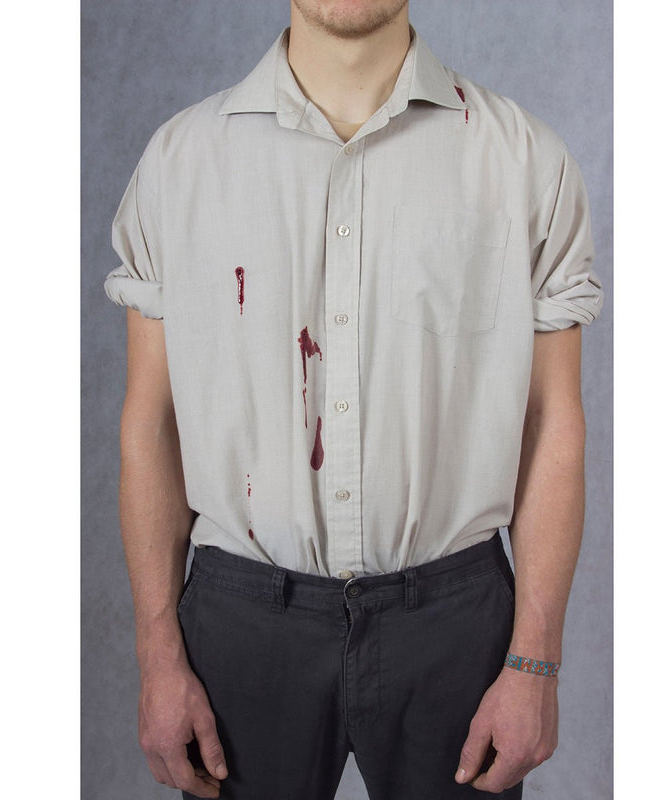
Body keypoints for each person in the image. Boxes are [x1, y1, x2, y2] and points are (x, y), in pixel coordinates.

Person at [103, 1, 603, 798]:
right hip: (241, 622)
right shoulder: (179, 163)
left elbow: (554, 428)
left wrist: (535, 661)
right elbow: (148, 426)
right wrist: (158, 651)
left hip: (456, 623)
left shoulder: (523, 162)